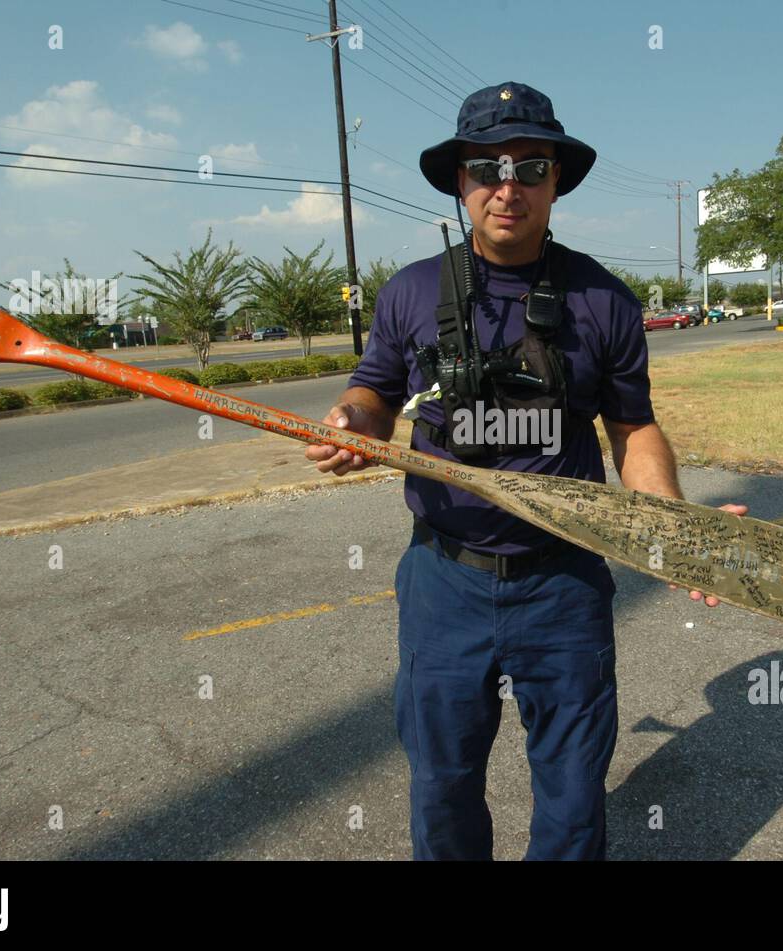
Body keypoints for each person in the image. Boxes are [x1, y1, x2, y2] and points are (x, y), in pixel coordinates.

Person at [306, 81, 746, 860]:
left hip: (564, 582)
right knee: (441, 786)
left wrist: (671, 521)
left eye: (530, 167)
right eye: (487, 166)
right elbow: (373, 392)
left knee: (574, 796)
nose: (508, 185)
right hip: (445, 578)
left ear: (556, 181)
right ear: (460, 180)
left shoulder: (603, 298)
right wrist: (354, 426)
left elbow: (632, 427)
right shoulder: (409, 292)